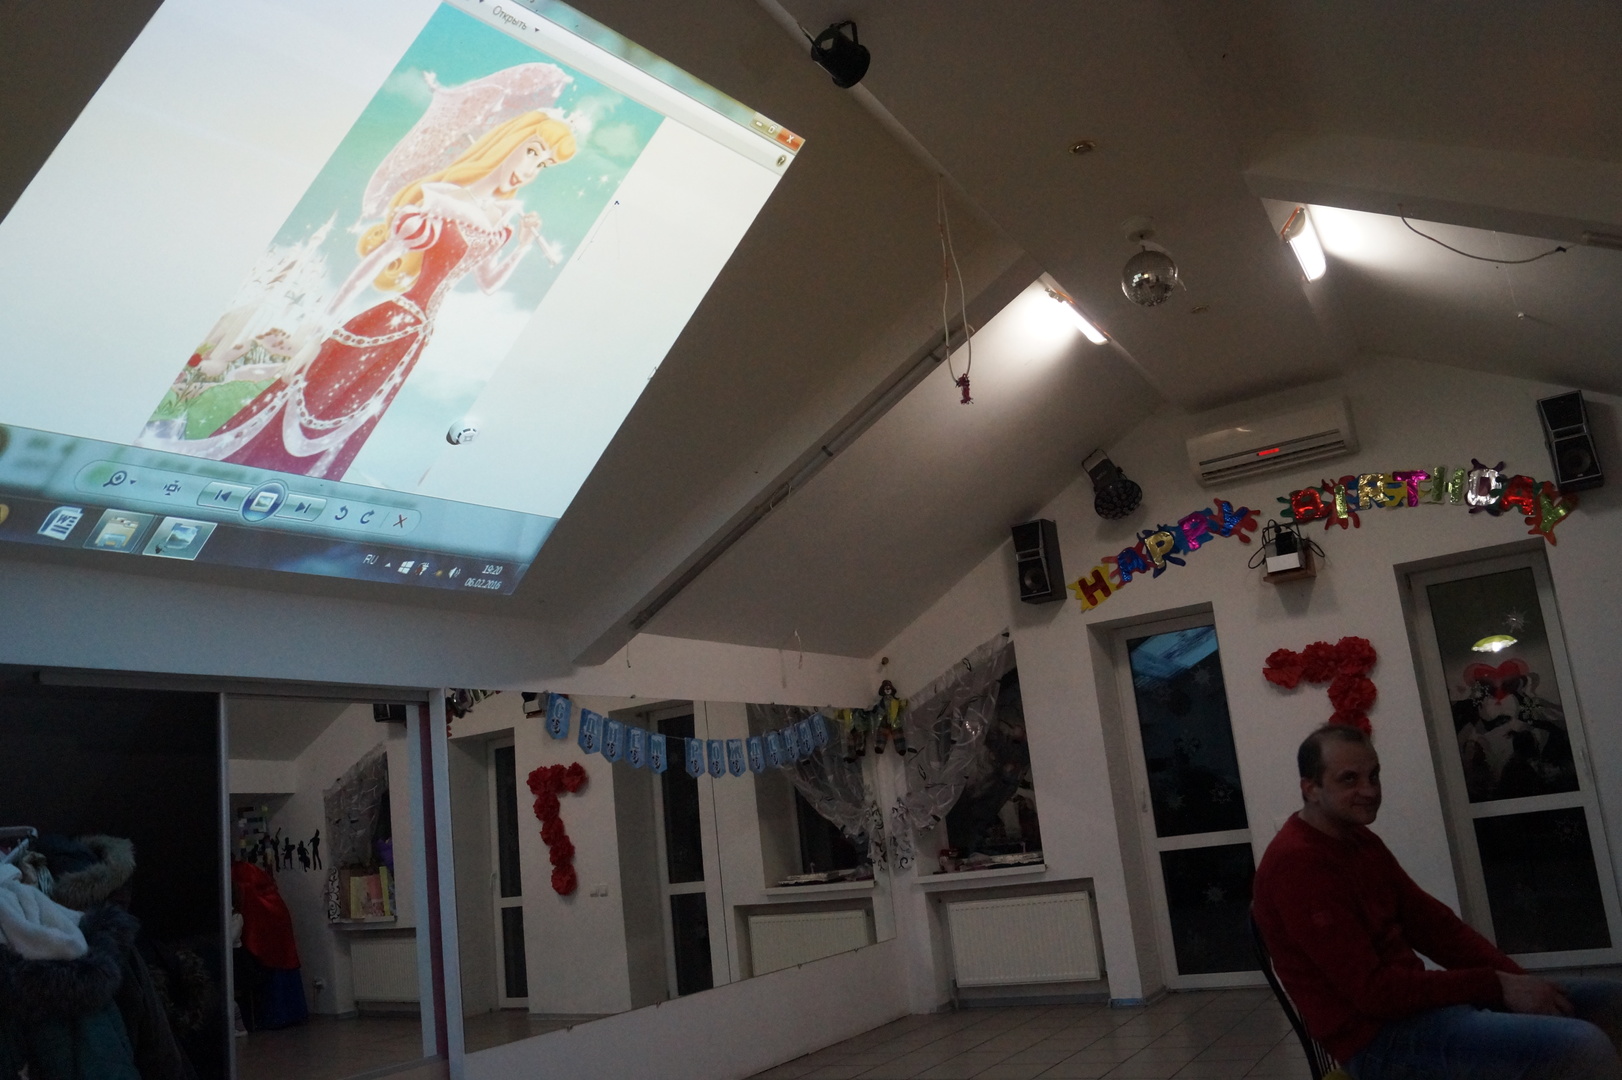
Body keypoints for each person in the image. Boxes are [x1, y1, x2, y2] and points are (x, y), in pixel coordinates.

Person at [154, 109, 575, 480]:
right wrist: (315, 334)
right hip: (384, 323)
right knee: (317, 401)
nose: (531, 169)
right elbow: (371, 266)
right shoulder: (440, 199)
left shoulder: (499, 220)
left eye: (544, 164)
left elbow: (488, 283)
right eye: (532, 152)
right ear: (508, 142)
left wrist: (522, 246)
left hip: (412, 340)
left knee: (351, 418)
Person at [1252, 723, 1622, 1079]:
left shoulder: (1358, 840)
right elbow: (1374, 993)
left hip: (1416, 1013)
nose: (1370, 790)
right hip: (1379, 1043)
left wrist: (1519, 983)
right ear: (1311, 788)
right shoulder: (1297, 864)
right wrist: (1496, 985)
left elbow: (1436, 928)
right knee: (1581, 1046)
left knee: (1612, 1002)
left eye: (1374, 775)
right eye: (1349, 779)